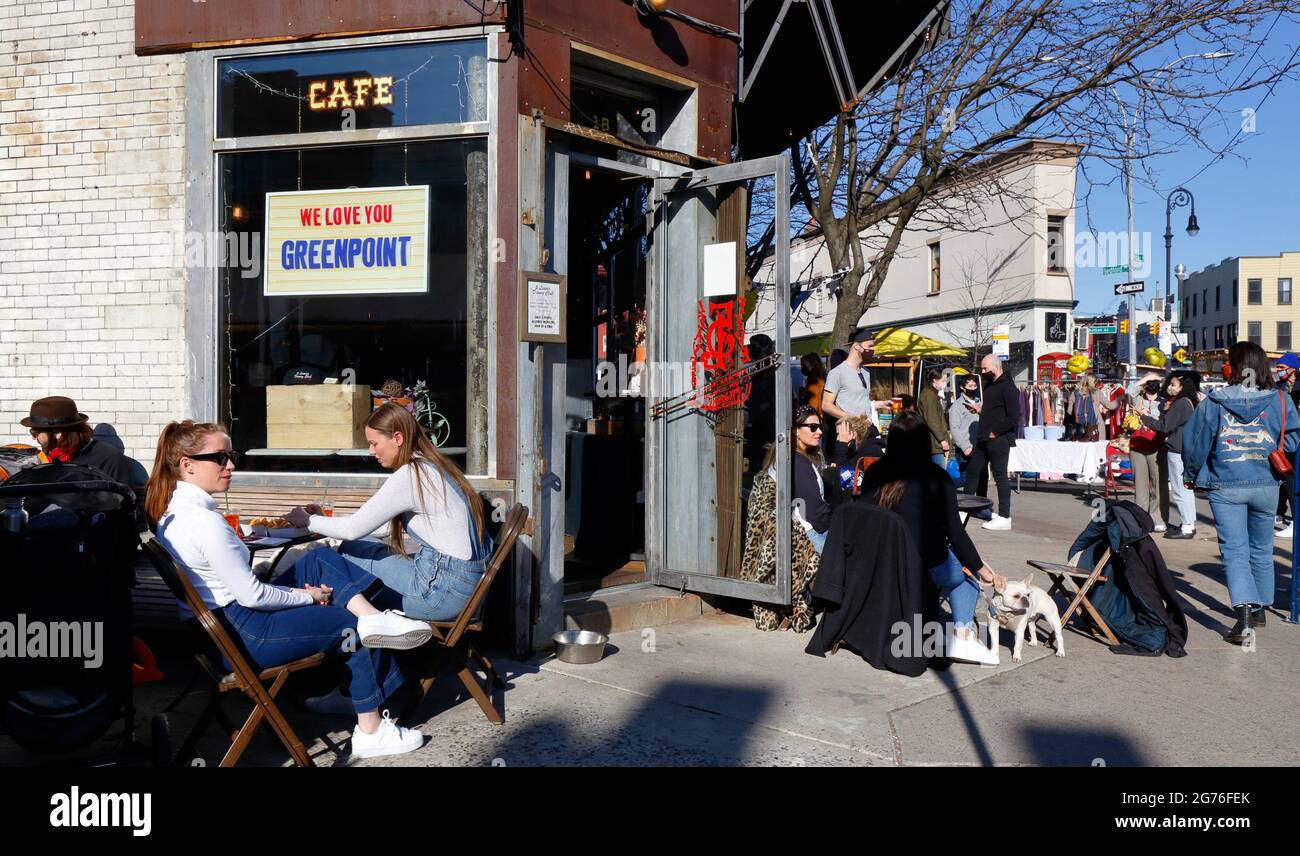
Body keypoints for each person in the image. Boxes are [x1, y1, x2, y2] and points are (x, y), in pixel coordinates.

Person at [146, 420, 432, 758]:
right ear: (187, 465)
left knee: (318, 557)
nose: (231, 465)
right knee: (352, 625)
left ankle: (368, 635)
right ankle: (371, 730)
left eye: (231, 455)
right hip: (244, 632)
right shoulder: (204, 522)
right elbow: (251, 594)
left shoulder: (177, 511)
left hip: (220, 630)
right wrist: (305, 596)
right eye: (220, 458)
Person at [286, 403, 493, 627]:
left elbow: (352, 529)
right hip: (459, 587)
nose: (370, 451)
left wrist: (308, 521)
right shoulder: (433, 466)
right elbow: (377, 527)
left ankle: (345, 620)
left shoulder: (411, 475)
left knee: (340, 557)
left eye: (374, 443)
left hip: (440, 595)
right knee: (353, 548)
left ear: (397, 438)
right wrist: (326, 521)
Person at [860, 412, 1008, 665]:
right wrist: (981, 569)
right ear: (923, 441)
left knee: (956, 565)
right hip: (921, 565)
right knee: (966, 577)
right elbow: (955, 532)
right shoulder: (936, 477)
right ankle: (963, 635)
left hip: (878, 562)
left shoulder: (874, 473)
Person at [1183, 342, 1300, 644]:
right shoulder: (1281, 400)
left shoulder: (1214, 401)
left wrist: (1190, 473)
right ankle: (1260, 608)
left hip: (1226, 484)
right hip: (1266, 483)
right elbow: (1292, 441)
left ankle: (1244, 617)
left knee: (1235, 550)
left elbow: (1195, 443)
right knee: (1261, 549)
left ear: (1234, 367)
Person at [761, 406, 833, 554]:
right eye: (813, 427)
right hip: (810, 535)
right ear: (796, 431)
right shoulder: (797, 462)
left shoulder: (788, 456)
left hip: (798, 532)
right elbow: (815, 512)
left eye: (820, 427)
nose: (819, 431)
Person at [962, 354, 1019, 530]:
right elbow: (994, 410)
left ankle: (1004, 516)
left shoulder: (1008, 387)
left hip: (998, 439)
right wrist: (980, 410)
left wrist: (995, 432)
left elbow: (1013, 417)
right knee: (973, 472)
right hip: (983, 437)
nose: (983, 372)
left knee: (1000, 476)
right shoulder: (990, 385)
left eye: (985, 369)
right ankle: (964, 508)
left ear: (995, 367)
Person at [20, 396, 131, 486]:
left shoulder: (110, 460)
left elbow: (124, 506)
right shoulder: (47, 457)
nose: (34, 438)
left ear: (58, 433)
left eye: (35, 433)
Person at [1142, 371, 1200, 539]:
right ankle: (1188, 523)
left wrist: (1144, 418)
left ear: (1182, 387)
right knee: (1185, 489)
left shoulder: (1181, 403)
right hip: (1185, 449)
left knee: (1180, 490)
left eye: (1173, 384)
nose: (1169, 387)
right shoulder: (1188, 402)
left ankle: (1187, 526)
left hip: (1177, 450)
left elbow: (1164, 426)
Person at [1126, 373, 1170, 532]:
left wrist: (1161, 379)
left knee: (1159, 485)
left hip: (1157, 447)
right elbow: (1129, 392)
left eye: (1155, 382)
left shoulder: (1165, 402)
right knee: (1140, 484)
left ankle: (1158, 517)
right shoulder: (1137, 399)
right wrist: (1143, 379)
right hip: (1138, 445)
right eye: (1149, 383)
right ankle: (1141, 517)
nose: (1152, 385)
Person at [822, 330, 888, 433]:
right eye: (870, 346)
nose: (873, 349)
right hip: (849, 432)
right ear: (857, 346)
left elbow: (860, 401)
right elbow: (826, 405)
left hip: (869, 429)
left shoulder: (866, 371)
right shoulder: (837, 373)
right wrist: (852, 418)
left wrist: (881, 404)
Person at [948, 374, 981, 489]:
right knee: (965, 479)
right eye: (970, 386)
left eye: (974, 385)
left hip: (979, 447)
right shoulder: (957, 406)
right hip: (966, 449)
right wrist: (965, 446)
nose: (973, 388)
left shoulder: (980, 403)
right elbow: (954, 428)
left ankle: (979, 503)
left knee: (979, 480)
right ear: (962, 387)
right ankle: (945, 489)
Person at [918, 368, 954, 469]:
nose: (945, 383)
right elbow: (932, 420)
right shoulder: (929, 396)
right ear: (934, 380)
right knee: (939, 475)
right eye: (942, 380)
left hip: (934, 442)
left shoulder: (931, 394)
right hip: (934, 443)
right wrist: (942, 440)